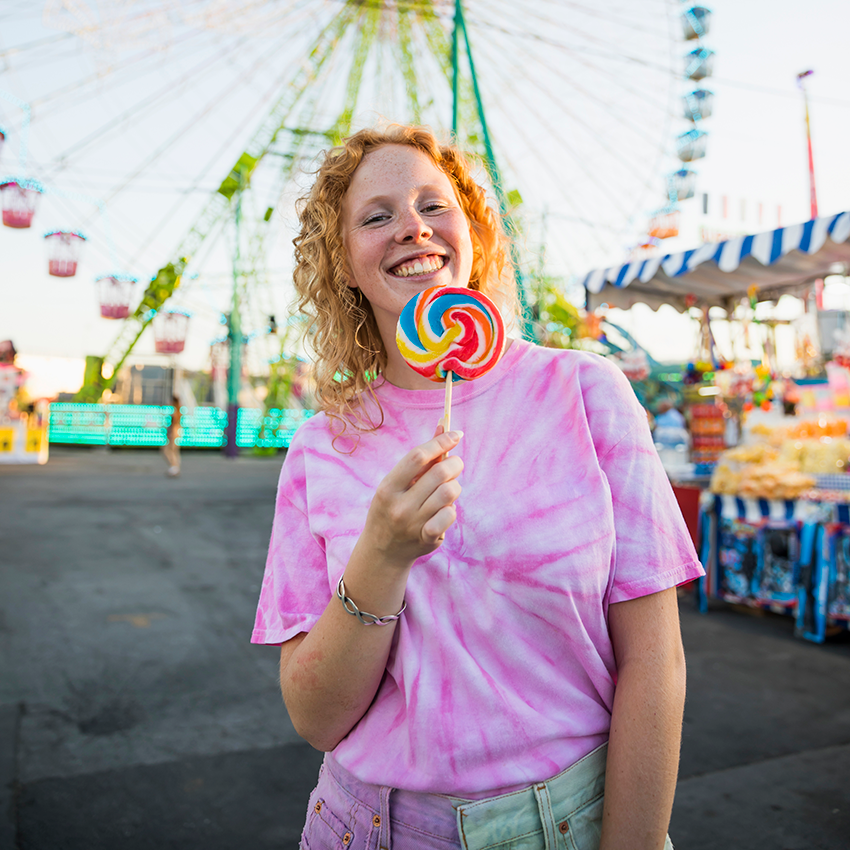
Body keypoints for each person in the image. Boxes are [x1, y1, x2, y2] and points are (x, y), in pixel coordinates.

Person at [251, 125, 704, 850]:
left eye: (435, 205)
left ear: (472, 231)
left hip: (568, 822)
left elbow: (655, 659)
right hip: (365, 826)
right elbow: (316, 718)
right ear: (344, 267)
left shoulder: (586, 393)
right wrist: (383, 555)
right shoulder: (321, 447)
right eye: (376, 216)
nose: (412, 228)